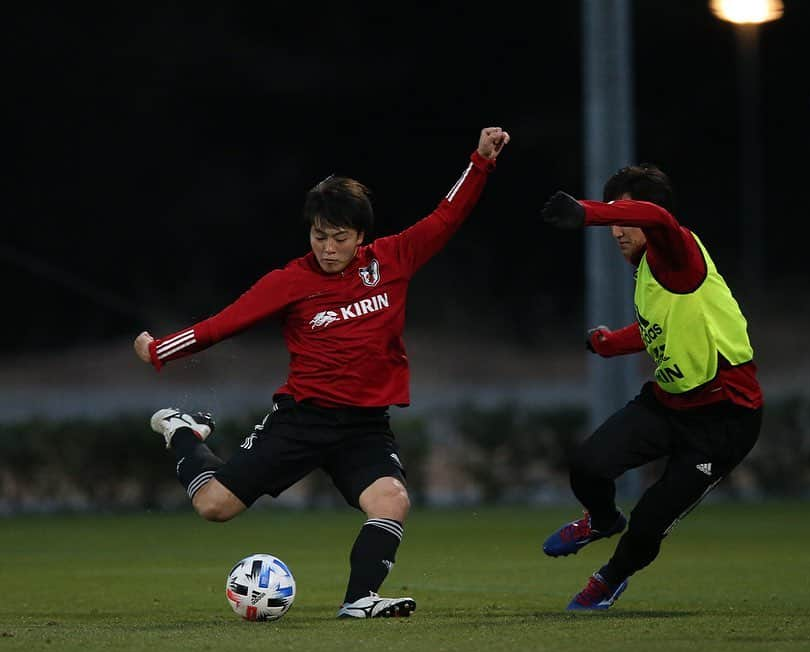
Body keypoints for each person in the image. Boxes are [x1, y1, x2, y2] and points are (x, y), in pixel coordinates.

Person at [133, 126, 510, 619]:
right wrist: (159, 350)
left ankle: (359, 601)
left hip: (364, 426)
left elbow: (446, 217)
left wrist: (481, 162)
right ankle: (183, 431)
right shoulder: (291, 280)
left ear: (360, 236)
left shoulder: (392, 260)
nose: (327, 248)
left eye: (339, 238)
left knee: (392, 500)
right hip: (303, 420)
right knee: (214, 508)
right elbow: (223, 324)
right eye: (319, 236)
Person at [539, 164, 763, 611]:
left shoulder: (675, 250)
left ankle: (609, 580)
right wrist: (608, 343)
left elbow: (658, 219)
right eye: (612, 221)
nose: (617, 230)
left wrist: (587, 212)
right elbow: (658, 329)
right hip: (668, 405)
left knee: (651, 519)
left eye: (626, 218)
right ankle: (602, 520)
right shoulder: (647, 269)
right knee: (588, 465)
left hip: (724, 419)